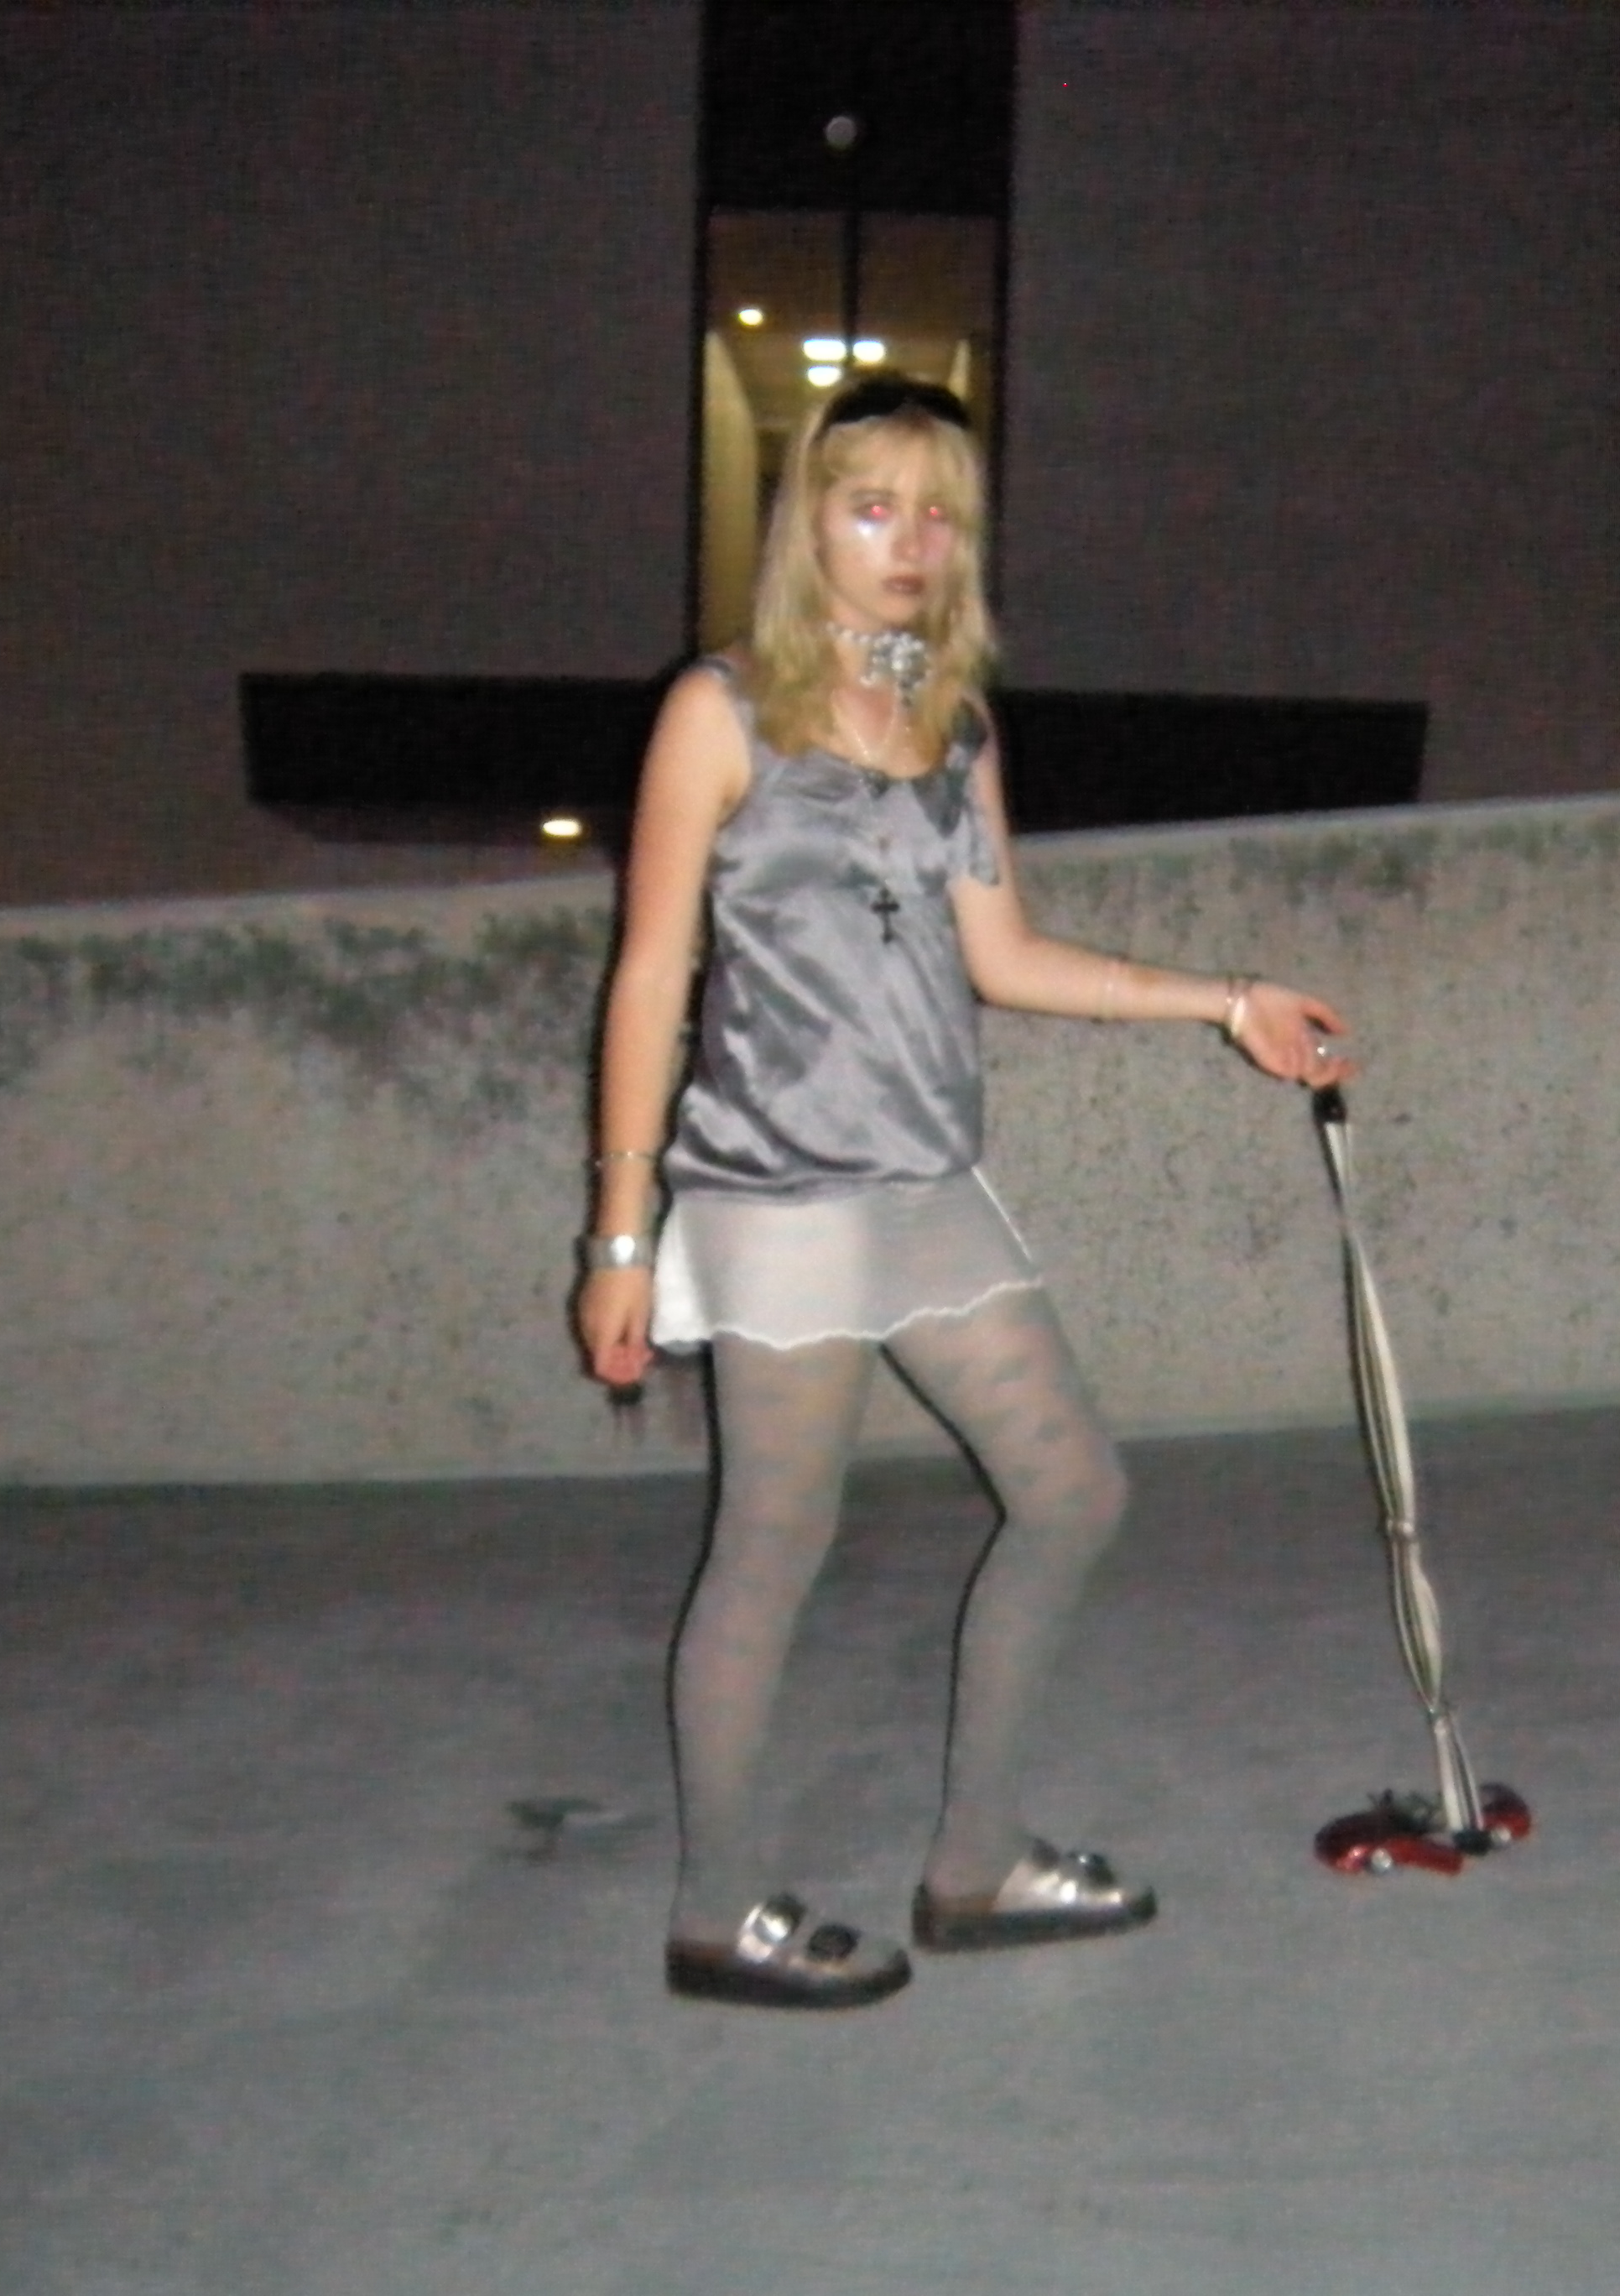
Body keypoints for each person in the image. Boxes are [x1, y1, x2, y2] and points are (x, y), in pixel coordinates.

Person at [577, 372, 1356, 2010]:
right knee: (773, 1545)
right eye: (875, 504)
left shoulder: (956, 724)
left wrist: (1226, 1001)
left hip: (925, 1179)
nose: (910, 540)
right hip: (775, 1193)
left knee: (1073, 1489)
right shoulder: (719, 712)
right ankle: (718, 1912)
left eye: (939, 510)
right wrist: (625, 1231)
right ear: (813, 521)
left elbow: (1001, 957)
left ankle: (974, 1861)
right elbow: (650, 976)